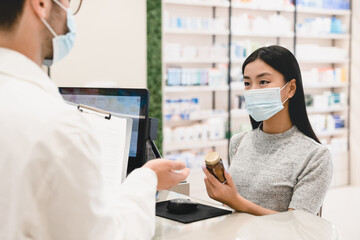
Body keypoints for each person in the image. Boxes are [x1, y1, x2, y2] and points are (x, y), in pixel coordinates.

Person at [0, 0, 189, 239]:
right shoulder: (57, 125)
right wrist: (147, 177)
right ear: (41, 4)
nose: (70, 12)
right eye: (68, 2)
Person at [203, 45, 333, 216]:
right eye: (247, 83)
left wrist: (235, 201)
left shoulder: (315, 156)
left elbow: (299, 224)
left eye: (263, 82)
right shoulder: (239, 141)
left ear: (291, 88)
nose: (253, 91)